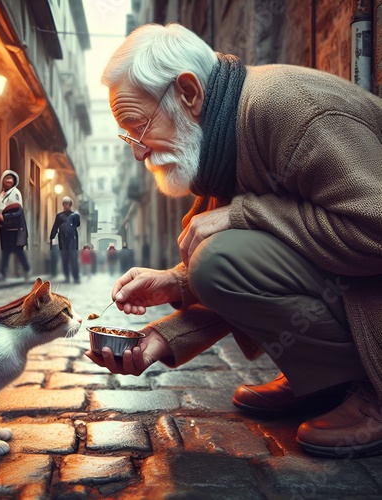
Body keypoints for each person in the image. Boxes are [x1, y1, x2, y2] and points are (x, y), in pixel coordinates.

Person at [85, 23, 382, 459]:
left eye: (138, 126)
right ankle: (324, 381)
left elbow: (373, 226)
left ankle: (369, 386)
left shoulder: (291, 109)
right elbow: (257, 264)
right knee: (213, 259)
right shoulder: (224, 142)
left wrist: (243, 214)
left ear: (189, 93)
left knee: (217, 253)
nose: (138, 152)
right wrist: (170, 304)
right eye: (128, 136)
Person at [0, 170, 30, 280]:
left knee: (18, 252)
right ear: (3, 180)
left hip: (14, 228)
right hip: (4, 227)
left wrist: (4, 217)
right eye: (7, 178)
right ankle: (2, 274)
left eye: (11, 178)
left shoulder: (15, 192)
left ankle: (26, 270)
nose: (9, 180)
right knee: (5, 252)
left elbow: (18, 210)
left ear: (14, 181)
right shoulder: (2, 194)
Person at [50, 196, 80, 283]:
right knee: (64, 258)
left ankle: (76, 277)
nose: (66, 205)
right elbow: (55, 226)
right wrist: (52, 236)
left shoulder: (74, 215)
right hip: (63, 238)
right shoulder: (59, 216)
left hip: (72, 238)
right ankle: (67, 277)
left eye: (68, 204)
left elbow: (77, 224)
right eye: (65, 204)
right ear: (63, 205)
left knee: (73, 258)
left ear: (70, 205)